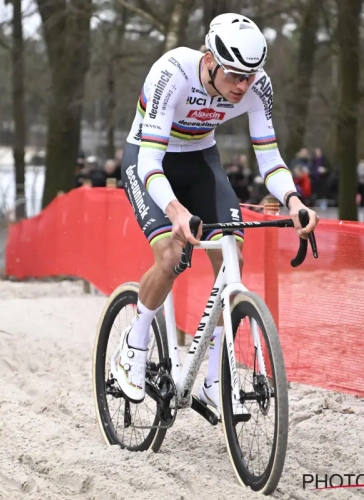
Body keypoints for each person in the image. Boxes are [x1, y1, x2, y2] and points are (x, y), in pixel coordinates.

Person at [116, 13, 319, 416]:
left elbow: (268, 154)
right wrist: (175, 211)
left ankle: (211, 378)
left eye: (250, 76)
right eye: (234, 76)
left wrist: (294, 200)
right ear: (209, 59)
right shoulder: (171, 73)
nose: (242, 86)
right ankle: (134, 345)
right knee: (171, 256)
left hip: (201, 160)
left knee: (232, 261)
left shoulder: (257, 86)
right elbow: (151, 164)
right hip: (149, 159)